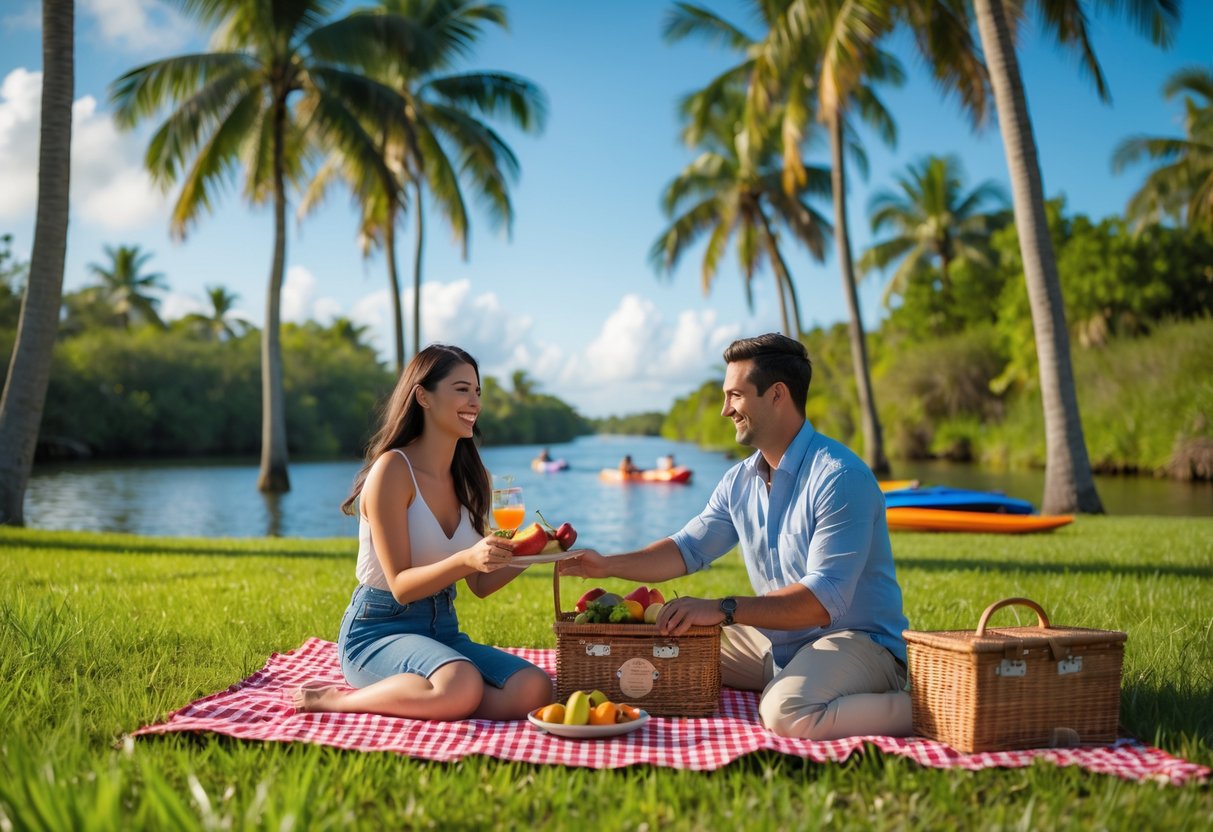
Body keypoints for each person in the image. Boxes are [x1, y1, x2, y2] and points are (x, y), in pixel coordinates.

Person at [562, 333, 910, 740]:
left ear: (777, 395)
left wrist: (723, 608)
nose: (726, 410)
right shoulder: (740, 481)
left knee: (785, 712)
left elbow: (821, 602)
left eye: (736, 396)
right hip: (781, 643)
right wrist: (606, 564)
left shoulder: (839, 478)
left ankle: (924, 709)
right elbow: (686, 549)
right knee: (663, 649)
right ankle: (797, 678)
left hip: (859, 643)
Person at [294, 344, 553, 720]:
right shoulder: (393, 471)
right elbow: (400, 584)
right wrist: (466, 557)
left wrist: (535, 553)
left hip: (442, 630)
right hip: (378, 630)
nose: (475, 402)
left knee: (533, 687)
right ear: (423, 397)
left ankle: (442, 696)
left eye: (478, 392)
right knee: (461, 681)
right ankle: (335, 700)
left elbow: (479, 585)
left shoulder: (473, 477)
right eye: (462, 389)